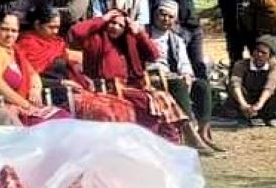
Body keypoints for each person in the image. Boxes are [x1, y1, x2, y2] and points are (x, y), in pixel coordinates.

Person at [69, 11, 195, 148]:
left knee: (162, 99)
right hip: (108, 88)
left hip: (131, 87)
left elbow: (153, 54)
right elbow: (75, 32)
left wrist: (139, 33)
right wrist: (102, 19)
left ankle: (170, 141)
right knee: (148, 103)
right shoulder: (96, 40)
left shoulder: (129, 43)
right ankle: (153, 141)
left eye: (120, 25)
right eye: (112, 23)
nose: (115, 27)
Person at [15, 6, 135, 123]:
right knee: (106, 112)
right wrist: (61, 83)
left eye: (57, 27)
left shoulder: (56, 43)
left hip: (71, 89)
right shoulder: (26, 45)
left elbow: (68, 67)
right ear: (37, 25)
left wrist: (82, 78)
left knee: (122, 107)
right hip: (53, 93)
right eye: (51, 27)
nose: (56, 31)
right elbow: (26, 77)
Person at [146, 0, 223, 152]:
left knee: (202, 85)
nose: (166, 19)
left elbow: (184, 62)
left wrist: (187, 74)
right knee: (178, 84)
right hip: (153, 75)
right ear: (155, 15)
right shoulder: (145, 34)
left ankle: (204, 132)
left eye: (170, 17)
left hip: (172, 75)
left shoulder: (175, 38)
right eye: (163, 15)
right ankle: (189, 132)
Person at [0, 9, 71, 126]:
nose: (9, 35)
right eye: (4, 29)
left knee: (63, 117)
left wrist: (35, 89)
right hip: (6, 108)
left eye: (14, 31)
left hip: (25, 105)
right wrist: (26, 105)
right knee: (53, 125)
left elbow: (33, 74)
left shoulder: (13, 49)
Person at [226, 36, 276, 126]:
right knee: (233, 86)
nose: (259, 55)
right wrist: (244, 104)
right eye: (257, 51)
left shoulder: (275, 66)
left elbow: (269, 86)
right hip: (247, 97)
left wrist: (259, 105)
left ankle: (272, 116)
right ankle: (246, 115)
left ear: (270, 56)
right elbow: (235, 84)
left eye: (264, 53)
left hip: (264, 99)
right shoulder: (241, 64)